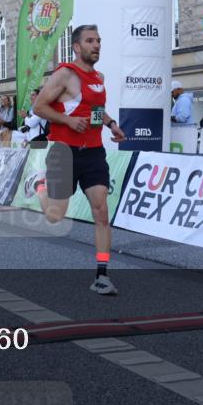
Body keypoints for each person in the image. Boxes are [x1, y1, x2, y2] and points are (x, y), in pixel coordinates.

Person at [33, 24, 126, 296]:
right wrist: (68, 120)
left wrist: (111, 124)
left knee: (101, 212)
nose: (96, 45)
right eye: (90, 41)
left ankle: (102, 276)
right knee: (55, 216)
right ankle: (40, 186)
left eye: (98, 40)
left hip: (94, 151)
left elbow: (96, 110)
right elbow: (39, 106)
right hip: (64, 151)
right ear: (77, 47)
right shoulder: (65, 74)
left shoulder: (99, 77)